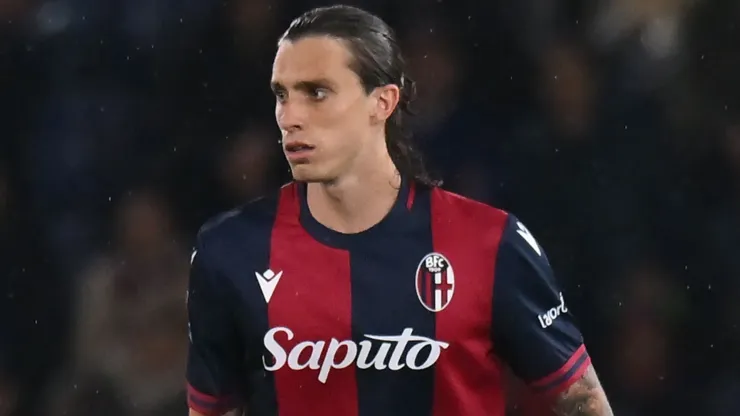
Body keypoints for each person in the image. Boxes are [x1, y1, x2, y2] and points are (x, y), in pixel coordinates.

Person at [185, 5, 613, 416]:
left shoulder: (490, 243)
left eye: (317, 92)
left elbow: (582, 403)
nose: (290, 116)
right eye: (282, 94)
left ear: (383, 102)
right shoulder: (229, 251)